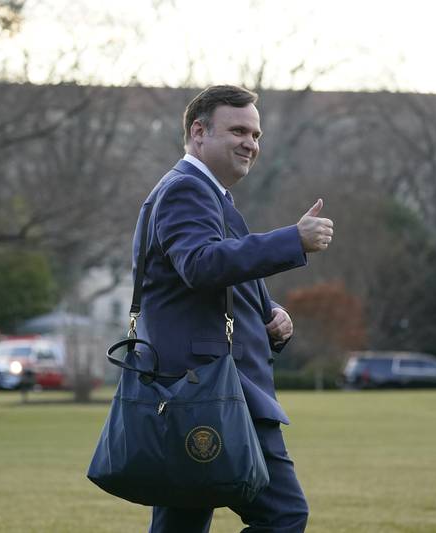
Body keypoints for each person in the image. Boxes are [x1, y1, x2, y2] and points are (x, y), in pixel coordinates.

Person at [132, 85, 334, 533]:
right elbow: (200, 265)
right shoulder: (187, 190)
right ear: (198, 132)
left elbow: (208, 279)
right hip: (215, 392)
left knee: (180, 524)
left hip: (195, 389)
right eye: (238, 130)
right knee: (283, 516)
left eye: (257, 134)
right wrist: (291, 240)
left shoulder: (206, 194)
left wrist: (269, 315)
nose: (251, 143)